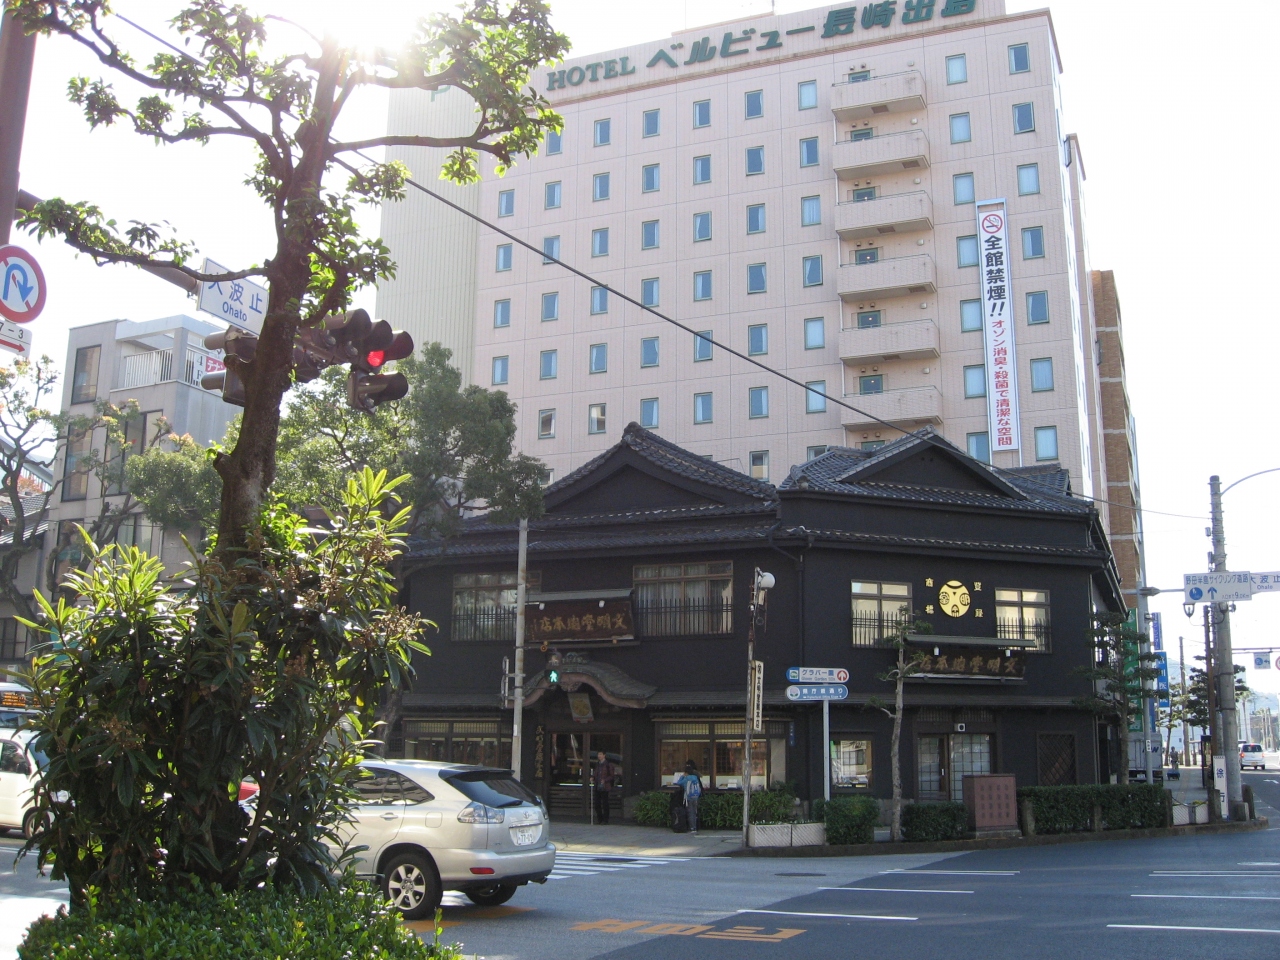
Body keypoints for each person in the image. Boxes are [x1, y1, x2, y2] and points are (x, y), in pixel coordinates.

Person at [674, 760, 703, 834]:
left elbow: (678, 783)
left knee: (690, 812)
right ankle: (696, 826)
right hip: (696, 796)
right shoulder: (695, 777)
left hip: (689, 797)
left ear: (686, 772)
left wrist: (682, 776)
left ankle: (692, 828)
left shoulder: (686, 779)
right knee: (695, 811)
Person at [593, 750, 617, 825]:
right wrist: (593, 778)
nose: (599, 756)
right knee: (597, 803)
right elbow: (595, 774)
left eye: (600, 754)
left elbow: (612, 776)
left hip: (605, 787)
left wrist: (605, 780)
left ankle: (605, 820)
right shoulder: (597, 764)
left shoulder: (608, 764)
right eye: (598, 754)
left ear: (604, 755)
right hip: (597, 786)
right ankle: (599, 819)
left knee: (605, 803)